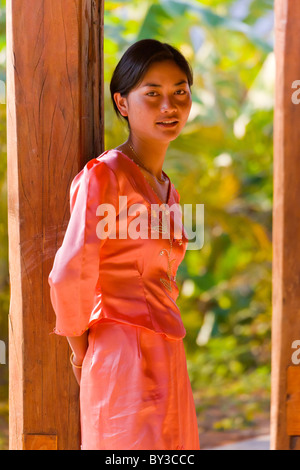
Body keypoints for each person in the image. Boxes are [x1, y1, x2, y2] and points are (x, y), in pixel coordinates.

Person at [48, 38, 200, 451]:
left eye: (179, 92)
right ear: (122, 103)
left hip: (168, 351)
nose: (169, 106)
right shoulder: (105, 176)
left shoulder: (168, 189)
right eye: (152, 93)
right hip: (120, 355)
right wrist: (82, 354)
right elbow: (69, 272)